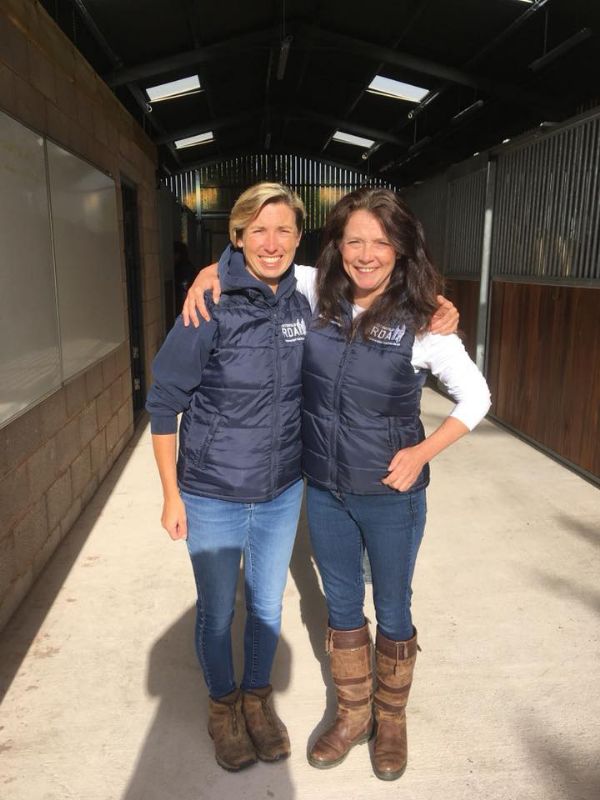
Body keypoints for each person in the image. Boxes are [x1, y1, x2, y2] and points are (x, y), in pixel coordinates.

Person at [184, 186, 490, 782]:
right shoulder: (313, 292)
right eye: (355, 241)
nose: (366, 254)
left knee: (394, 607)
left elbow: (477, 396)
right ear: (337, 247)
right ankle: (353, 714)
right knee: (344, 606)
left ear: (400, 252)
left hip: (391, 496)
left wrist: (422, 451)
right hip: (324, 489)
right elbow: (255, 254)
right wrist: (204, 275)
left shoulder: (424, 323)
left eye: (381, 242)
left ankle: (391, 720)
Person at [146, 183, 312, 772]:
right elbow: (163, 401)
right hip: (212, 491)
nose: (271, 243)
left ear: (299, 236)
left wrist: (438, 307)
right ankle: (223, 708)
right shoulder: (208, 304)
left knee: (267, 606)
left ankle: (257, 700)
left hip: (281, 489)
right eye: (257, 230)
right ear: (236, 236)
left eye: (284, 230)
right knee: (218, 611)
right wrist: (171, 494)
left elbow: (376, 281)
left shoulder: (305, 298)